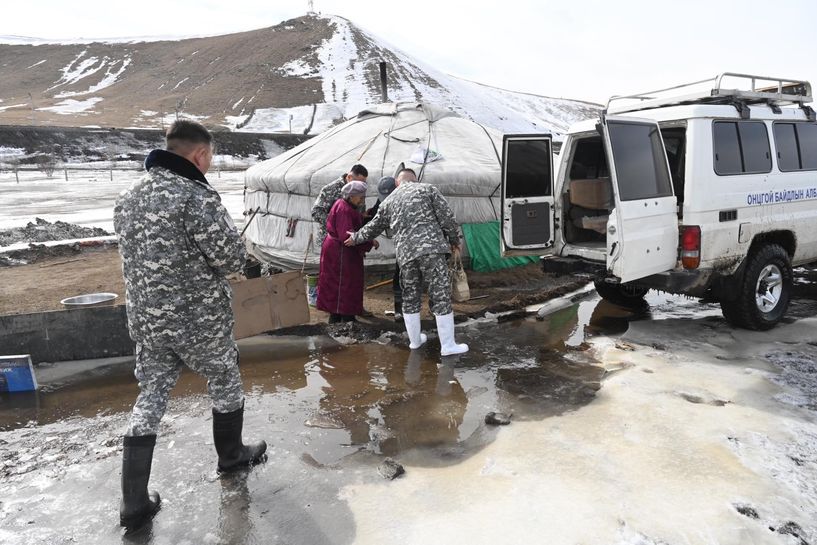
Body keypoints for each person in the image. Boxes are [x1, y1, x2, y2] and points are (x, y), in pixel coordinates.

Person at [113, 119, 266, 530]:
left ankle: (133, 502)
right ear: (200, 154)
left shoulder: (128, 196)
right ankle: (232, 457)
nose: (210, 164)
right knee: (224, 378)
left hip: (147, 321)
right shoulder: (196, 196)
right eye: (211, 157)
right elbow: (230, 260)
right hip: (198, 321)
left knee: (151, 396)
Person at [345, 168, 468, 356]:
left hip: (406, 256)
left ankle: (415, 341)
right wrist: (454, 240)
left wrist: (355, 237)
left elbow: (374, 226)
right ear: (415, 179)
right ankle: (448, 346)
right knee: (440, 295)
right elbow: (447, 218)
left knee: (410, 297)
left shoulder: (390, 200)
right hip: (432, 251)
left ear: (396, 182)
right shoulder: (428, 190)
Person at [316, 180, 378, 322]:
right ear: (351, 196)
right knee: (344, 284)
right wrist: (369, 241)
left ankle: (338, 317)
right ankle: (345, 318)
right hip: (341, 253)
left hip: (336, 250)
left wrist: (361, 217)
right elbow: (347, 236)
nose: (363, 200)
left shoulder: (342, 204)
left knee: (340, 283)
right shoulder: (344, 209)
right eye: (360, 197)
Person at [311, 163, 368, 249]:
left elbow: (358, 210)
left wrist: (362, 216)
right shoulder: (330, 189)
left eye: (363, 182)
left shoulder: (359, 189)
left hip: (351, 240)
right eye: (358, 182)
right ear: (349, 177)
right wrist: (336, 224)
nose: (361, 185)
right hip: (331, 241)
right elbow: (316, 212)